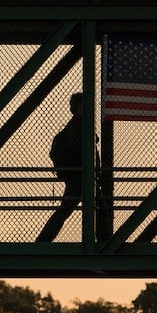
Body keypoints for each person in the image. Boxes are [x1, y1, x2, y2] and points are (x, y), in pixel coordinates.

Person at [39, 92, 106, 243]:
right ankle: (104, 243)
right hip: (81, 177)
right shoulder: (78, 125)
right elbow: (79, 147)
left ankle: (43, 240)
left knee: (65, 211)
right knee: (100, 209)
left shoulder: (76, 125)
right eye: (83, 105)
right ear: (76, 108)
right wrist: (91, 139)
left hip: (79, 177)